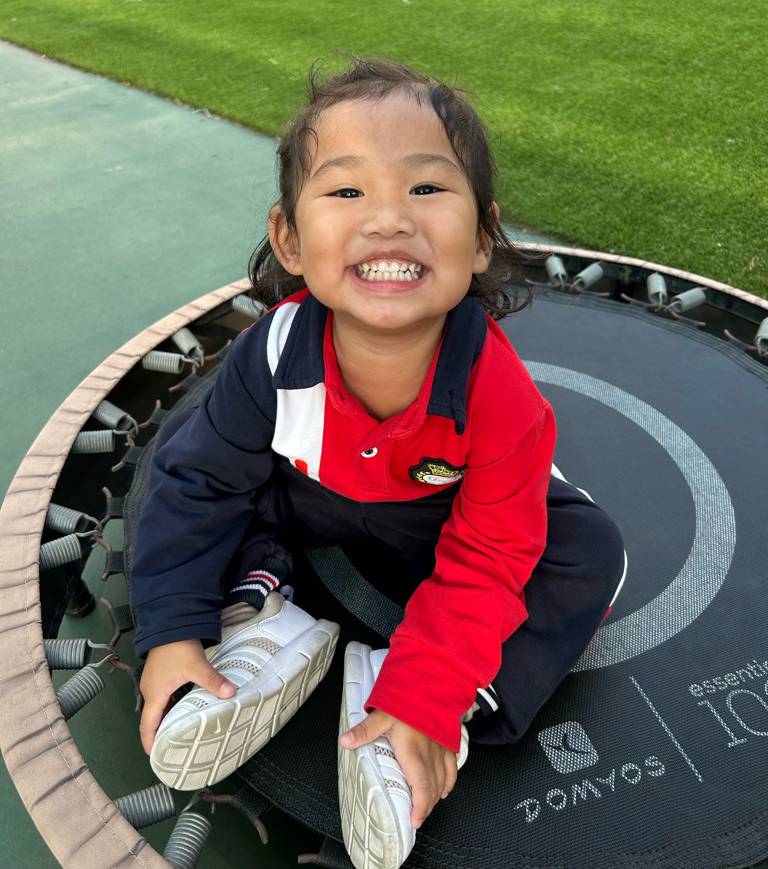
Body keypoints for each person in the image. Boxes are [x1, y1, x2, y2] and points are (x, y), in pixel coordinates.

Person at [131, 56, 625, 869]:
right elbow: (200, 488)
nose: (390, 218)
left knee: (590, 555)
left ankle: (417, 699)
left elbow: (491, 553)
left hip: (443, 524)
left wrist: (428, 691)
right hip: (309, 499)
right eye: (347, 191)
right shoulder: (271, 358)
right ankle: (259, 613)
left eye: (426, 188)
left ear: (482, 238)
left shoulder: (502, 400)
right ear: (290, 239)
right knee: (194, 461)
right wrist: (172, 629)